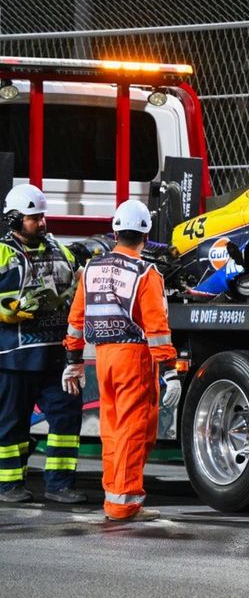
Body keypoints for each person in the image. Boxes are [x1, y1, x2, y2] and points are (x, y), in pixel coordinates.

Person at [62, 199, 181, 522]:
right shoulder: (145, 273)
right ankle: (124, 503)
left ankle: (114, 495)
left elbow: (76, 319)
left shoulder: (91, 270)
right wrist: (170, 371)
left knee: (113, 429)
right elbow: (157, 328)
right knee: (134, 430)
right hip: (134, 358)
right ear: (146, 234)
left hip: (103, 358)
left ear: (115, 232)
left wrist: (73, 359)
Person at [0, 184, 85, 505]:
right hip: (13, 360)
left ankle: (59, 485)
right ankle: (8, 485)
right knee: (11, 426)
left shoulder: (60, 250)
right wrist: (6, 310)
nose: (42, 222)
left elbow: (78, 283)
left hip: (55, 359)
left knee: (66, 419)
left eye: (42, 216)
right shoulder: (2, 252)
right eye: (34, 218)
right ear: (14, 219)